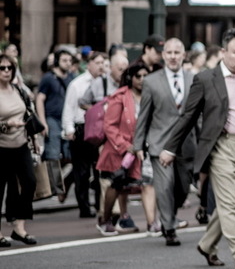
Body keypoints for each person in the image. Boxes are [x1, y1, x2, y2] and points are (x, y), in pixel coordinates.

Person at [162, 29, 235, 269]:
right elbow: (188, 117)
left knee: (234, 204)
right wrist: (170, 148)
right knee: (230, 204)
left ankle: (207, 245)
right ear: (223, 52)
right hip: (221, 146)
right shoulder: (206, 79)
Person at [134, 37, 195, 245]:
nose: (173, 57)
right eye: (169, 52)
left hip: (187, 143)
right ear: (163, 55)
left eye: (177, 53)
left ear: (184, 55)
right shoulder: (151, 81)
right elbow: (144, 115)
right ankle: (169, 228)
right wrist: (138, 144)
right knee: (165, 185)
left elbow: (199, 114)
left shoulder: (193, 78)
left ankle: (170, 214)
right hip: (159, 143)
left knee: (183, 187)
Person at [96, 61, 151, 235]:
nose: (142, 80)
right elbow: (109, 125)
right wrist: (125, 146)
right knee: (116, 184)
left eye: (145, 76)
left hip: (141, 149)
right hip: (119, 150)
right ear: (130, 78)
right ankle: (104, 220)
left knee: (142, 184)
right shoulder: (119, 96)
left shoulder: (150, 96)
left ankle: (150, 221)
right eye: (138, 76)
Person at [0, 53, 38, 246]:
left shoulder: (18, 90)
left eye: (10, 68)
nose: (6, 71)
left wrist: (34, 139)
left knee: (30, 182)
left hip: (21, 145)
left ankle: (19, 227)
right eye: (2, 68)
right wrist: (6, 125)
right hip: (2, 147)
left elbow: (28, 115)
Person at [63, 51, 104, 218]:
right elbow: (69, 107)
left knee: (100, 169)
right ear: (89, 64)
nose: (101, 66)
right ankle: (84, 207)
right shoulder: (77, 84)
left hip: (101, 130)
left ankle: (100, 206)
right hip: (81, 129)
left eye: (103, 63)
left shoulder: (105, 83)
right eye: (98, 63)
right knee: (82, 171)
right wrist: (69, 129)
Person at [35, 48, 76, 201]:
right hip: (52, 119)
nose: (67, 63)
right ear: (57, 61)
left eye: (69, 60)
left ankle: (63, 183)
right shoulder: (48, 78)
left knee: (70, 156)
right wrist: (43, 122)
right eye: (64, 60)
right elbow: (40, 99)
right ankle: (57, 188)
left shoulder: (72, 77)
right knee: (53, 154)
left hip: (67, 119)